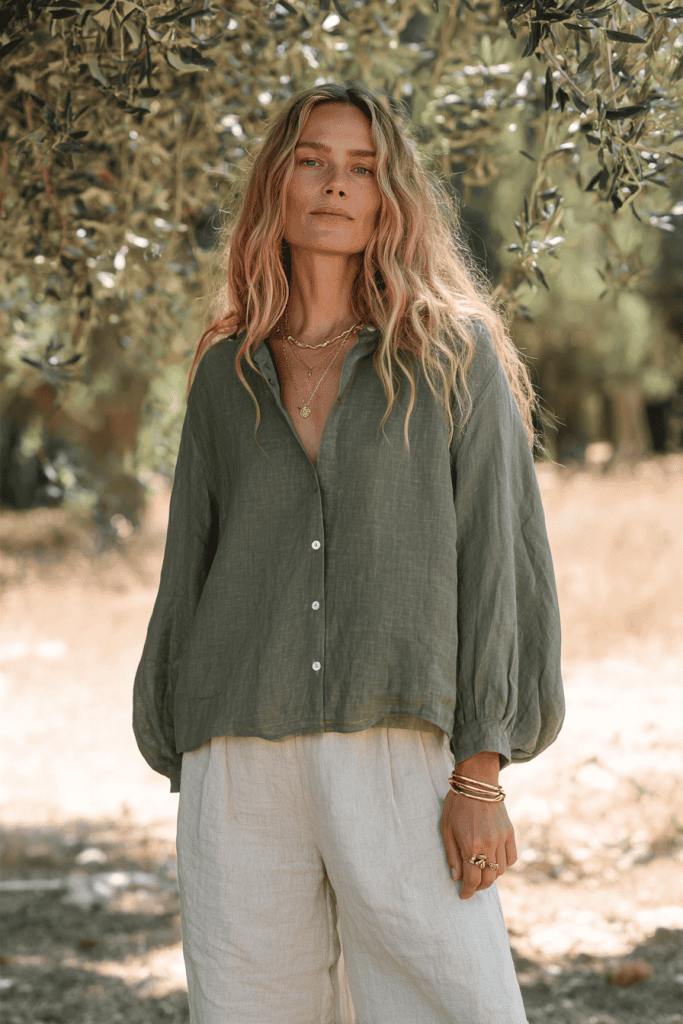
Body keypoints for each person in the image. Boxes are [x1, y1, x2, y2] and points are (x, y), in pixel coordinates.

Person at [133, 81, 564, 1024]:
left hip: (402, 746)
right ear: (277, 189)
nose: (336, 185)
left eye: (361, 169)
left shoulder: (452, 355)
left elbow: (500, 562)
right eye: (312, 162)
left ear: (387, 200)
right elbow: (188, 569)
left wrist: (477, 774)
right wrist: (180, 746)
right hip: (239, 750)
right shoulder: (224, 371)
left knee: (455, 1003)